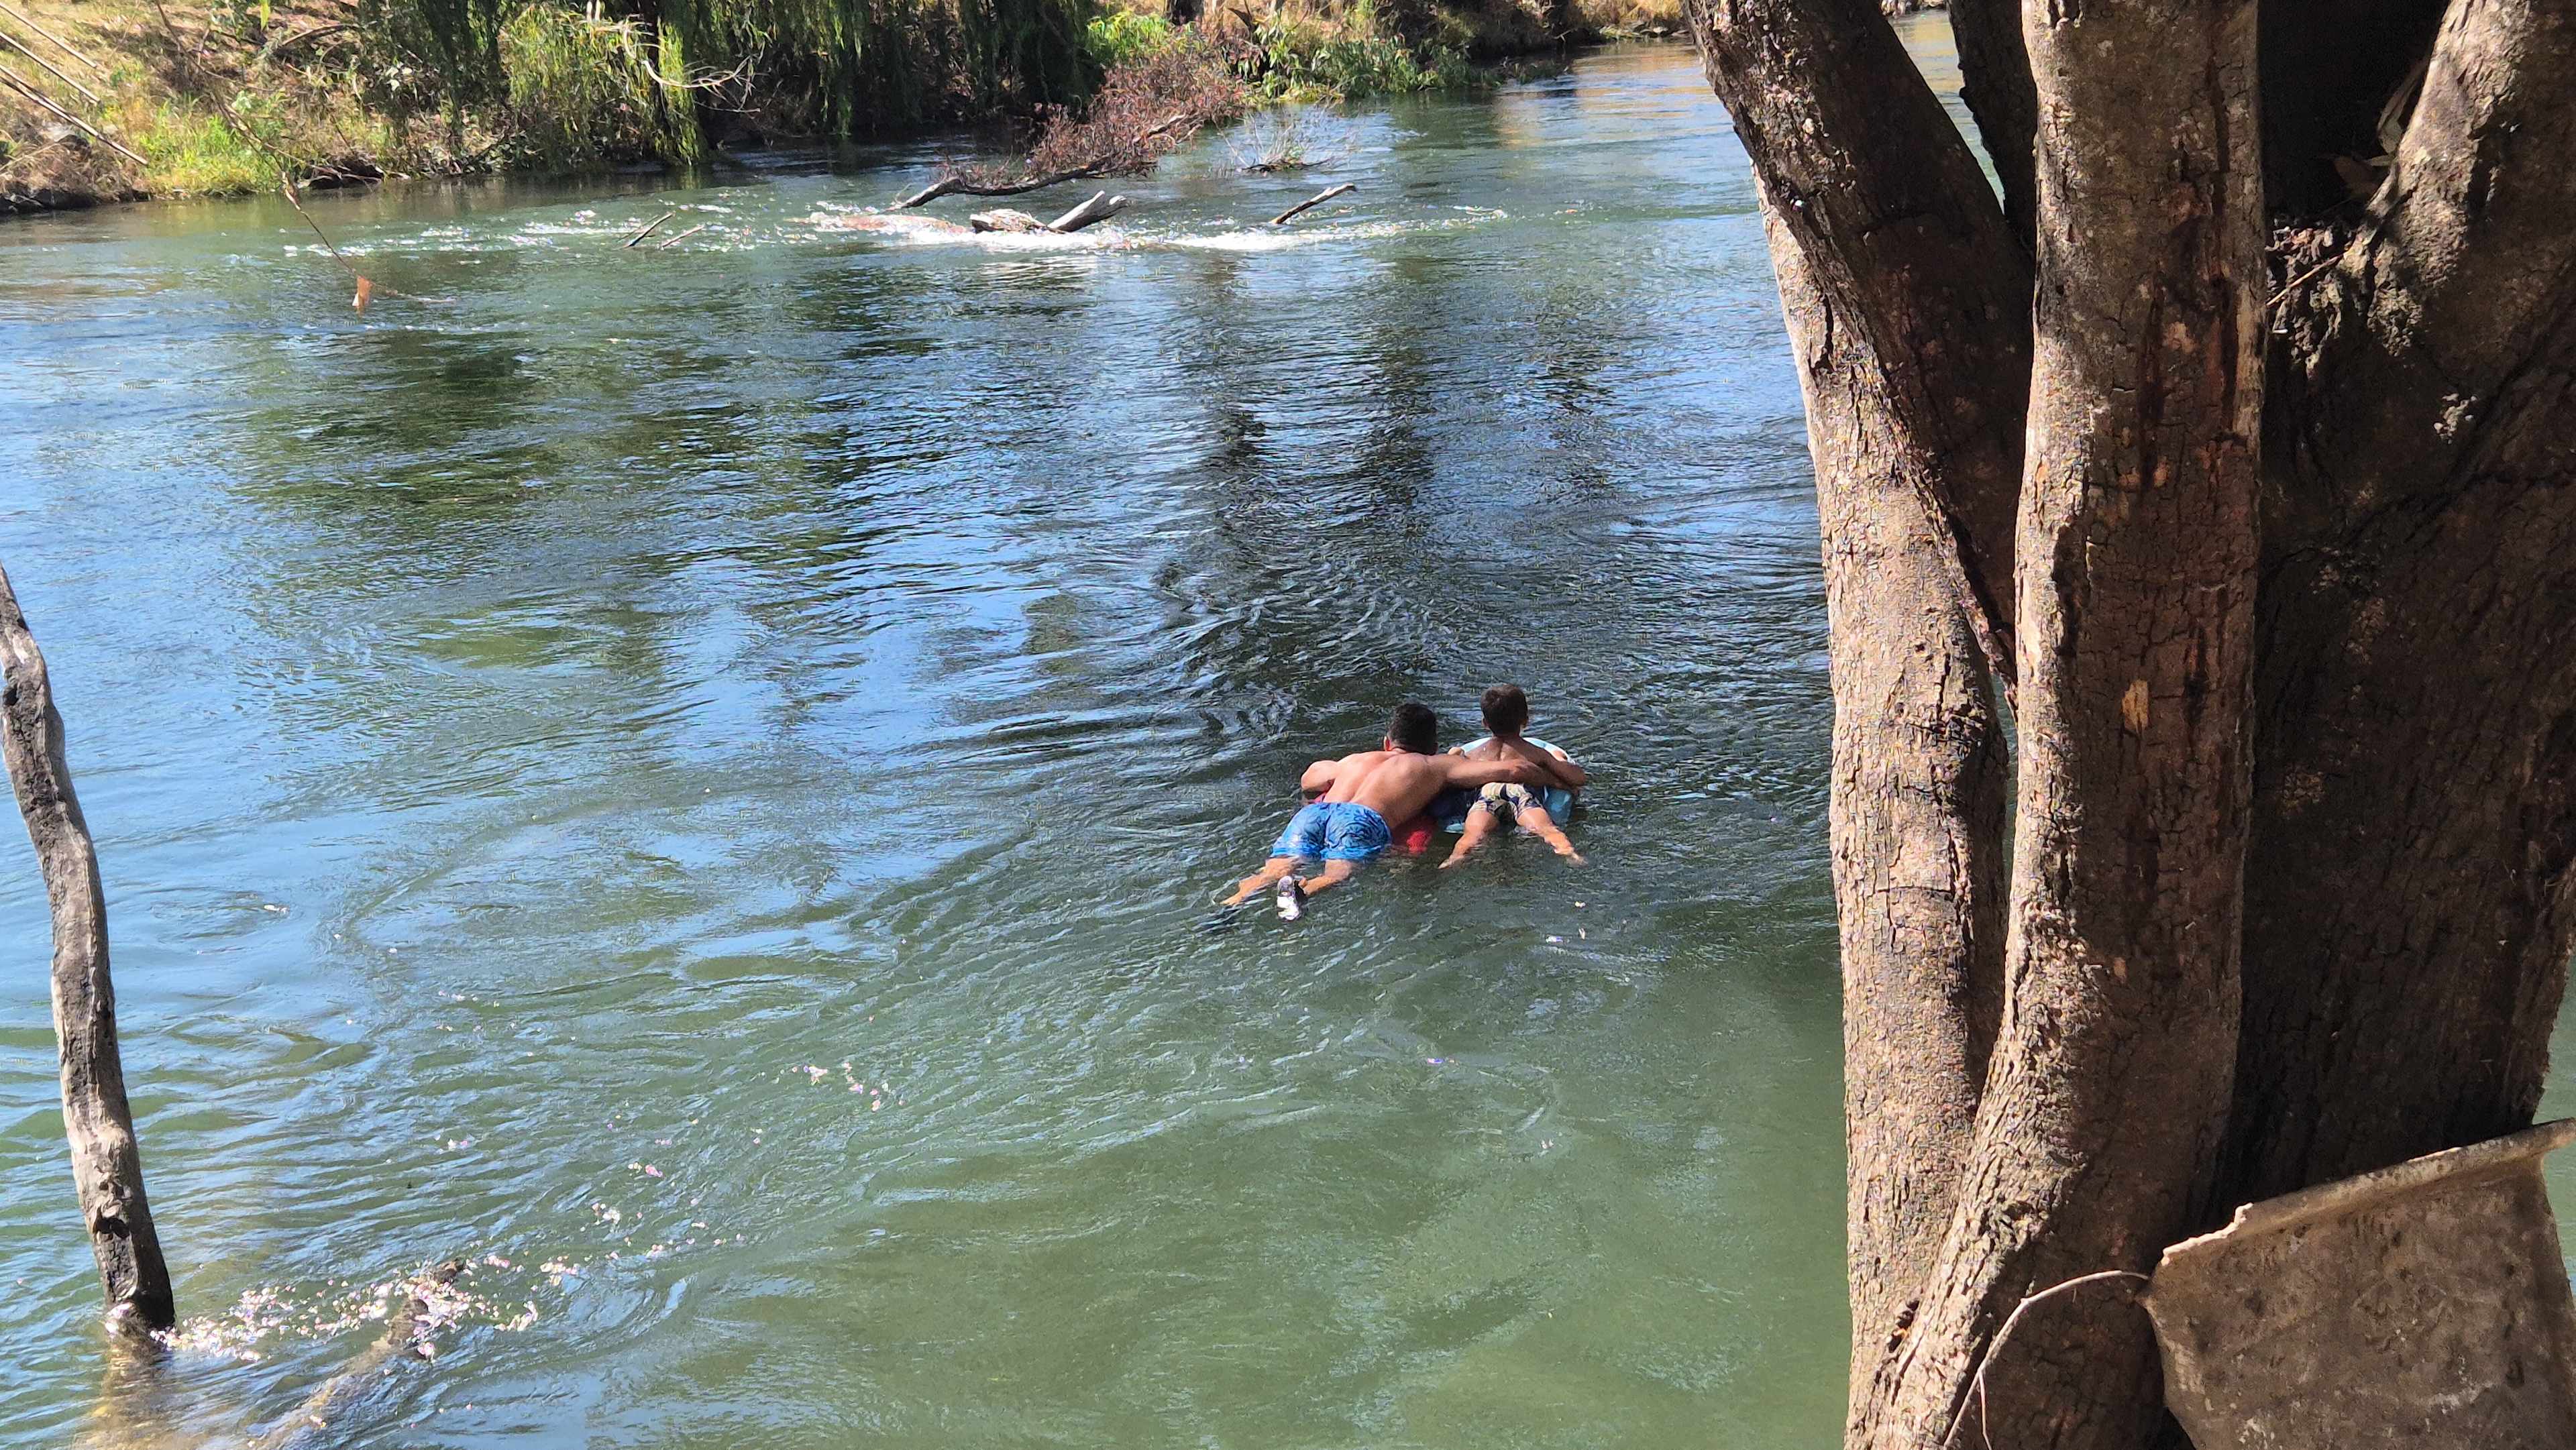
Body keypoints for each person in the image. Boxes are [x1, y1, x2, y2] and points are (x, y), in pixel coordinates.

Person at [1224, 702, 1552, 918]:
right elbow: (1514, 770)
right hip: (1361, 819)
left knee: (1273, 869)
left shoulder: (1355, 760)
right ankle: (1303, 890)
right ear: (1433, 747)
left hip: (1314, 814)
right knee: (1338, 875)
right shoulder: (1433, 764)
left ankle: (1233, 904)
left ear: (1387, 742)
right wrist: (1558, 779)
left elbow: (1310, 780)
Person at [1440, 683, 1587, 867]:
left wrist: (1455, 754)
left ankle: (1454, 858)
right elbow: (1578, 778)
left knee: (1472, 835)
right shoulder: (1534, 752)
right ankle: (1569, 853)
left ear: (1485, 723)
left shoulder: (1474, 754)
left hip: (1487, 794)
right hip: (1521, 794)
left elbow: (1451, 776)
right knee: (1546, 829)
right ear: (1525, 721)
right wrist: (1559, 762)